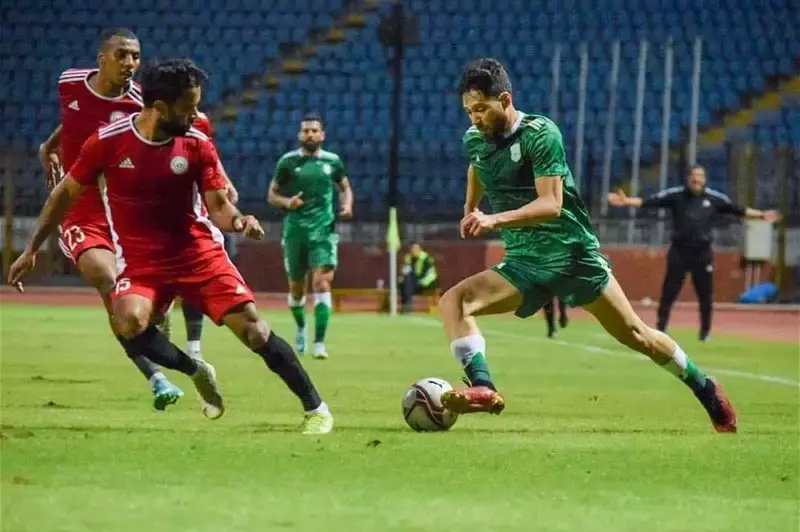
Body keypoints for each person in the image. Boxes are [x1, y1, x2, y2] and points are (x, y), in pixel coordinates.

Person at [11, 59, 334, 435]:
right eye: (189, 107)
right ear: (160, 108)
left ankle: (316, 408)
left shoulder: (196, 143)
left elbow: (218, 206)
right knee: (128, 321)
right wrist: (32, 247)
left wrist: (240, 221)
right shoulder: (107, 141)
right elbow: (64, 193)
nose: (196, 114)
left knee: (255, 332)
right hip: (142, 262)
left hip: (198, 254)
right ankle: (196, 370)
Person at [436, 58, 737, 433]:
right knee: (454, 302)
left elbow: (552, 204)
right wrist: (470, 207)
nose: (474, 118)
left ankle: (705, 388)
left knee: (638, 335)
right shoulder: (475, 139)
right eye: (468, 111)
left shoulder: (540, 134)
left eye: (481, 108)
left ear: (506, 99)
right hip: (525, 261)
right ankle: (483, 387)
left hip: (572, 255)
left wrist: (493, 219)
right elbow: (476, 165)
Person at [38, 29, 239, 409]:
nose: (130, 64)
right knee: (110, 284)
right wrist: (50, 146)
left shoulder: (141, 101)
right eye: (122, 55)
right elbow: (75, 118)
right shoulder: (69, 81)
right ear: (102, 58)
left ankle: (161, 359)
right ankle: (158, 376)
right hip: (84, 208)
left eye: (135, 57)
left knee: (127, 302)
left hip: (127, 208)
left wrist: (222, 178)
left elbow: (192, 131)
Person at [607, 166, 781, 340]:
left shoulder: (714, 198)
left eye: (700, 176)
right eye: (693, 176)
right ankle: (661, 328)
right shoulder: (676, 195)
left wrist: (762, 215)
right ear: (688, 178)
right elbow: (649, 202)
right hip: (679, 252)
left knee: (705, 295)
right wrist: (626, 201)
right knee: (669, 291)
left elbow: (738, 210)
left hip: (702, 253)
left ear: (705, 179)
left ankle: (705, 333)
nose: (697, 180)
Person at [267, 113, 354, 359]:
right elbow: (272, 195)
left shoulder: (333, 161)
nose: (310, 134)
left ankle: (319, 343)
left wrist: (347, 205)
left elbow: (345, 186)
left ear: (322, 135)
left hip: (324, 231)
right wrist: (287, 202)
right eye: (306, 131)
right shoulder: (288, 162)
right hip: (295, 230)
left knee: (322, 283)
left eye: (315, 130)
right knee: (296, 288)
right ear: (299, 135)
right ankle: (301, 327)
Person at [398, 242, 439, 314]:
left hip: (427, 284)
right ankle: (407, 305)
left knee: (407, 284)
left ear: (420, 249)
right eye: (412, 249)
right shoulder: (408, 258)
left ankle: (407, 305)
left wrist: (421, 282)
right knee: (403, 282)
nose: (414, 250)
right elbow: (406, 271)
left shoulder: (427, 258)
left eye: (416, 248)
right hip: (413, 283)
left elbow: (432, 275)